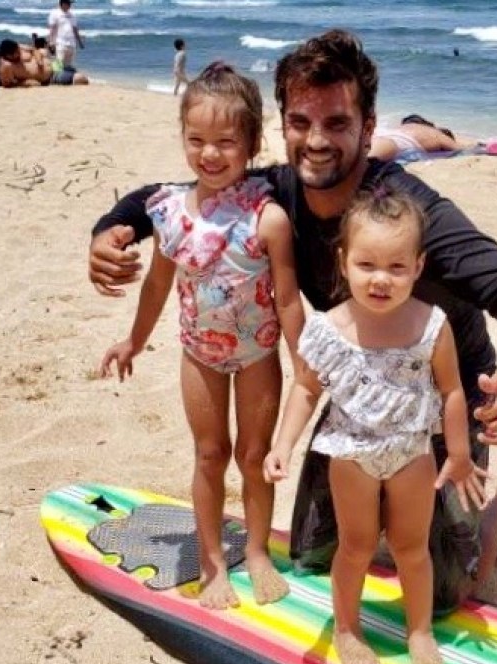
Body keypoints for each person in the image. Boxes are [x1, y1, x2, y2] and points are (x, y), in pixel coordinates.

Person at [88, 29, 497, 616]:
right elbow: (171, 195)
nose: (315, 141)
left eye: (337, 123)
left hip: (442, 410)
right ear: (281, 126)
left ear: (367, 125)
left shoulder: (413, 218)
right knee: (311, 558)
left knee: (444, 596)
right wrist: (112, 226)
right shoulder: (272, 193)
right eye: (301, 122)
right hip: (358, 406)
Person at [98, 62, 304, 611]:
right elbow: (158, 286)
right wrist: (133, 342)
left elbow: (287, 299)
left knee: (255, 454)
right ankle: (214, 563)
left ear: (253, 142)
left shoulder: (269, 218)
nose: (210, 154)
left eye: (225, 142)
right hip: (200, 355)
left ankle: (257, 552)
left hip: (259, 353)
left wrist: (304, 360)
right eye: (197, 141)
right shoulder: (168, 214)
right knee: (210, 454)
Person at [264, 188, 486, 664]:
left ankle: (419, 631)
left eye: (396, 267)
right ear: (343, 262)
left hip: (412, 452)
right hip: (351, 454)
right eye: (367, 265)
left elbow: (451, 391)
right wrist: (282, 445)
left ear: (418, 266)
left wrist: (460, 454)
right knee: (356, 546)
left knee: (412, 547)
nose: (381, 279)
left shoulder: (431, 325)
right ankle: (346, 628)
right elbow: (305, 389)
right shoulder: (326, 329)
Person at [369, 114, 497, 164]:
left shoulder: (405, 127)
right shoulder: (435, 133)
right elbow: (460, 149)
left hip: (382, 133)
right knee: (378, 153)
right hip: (400, 141)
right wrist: (483, 147)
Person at [47, 0, 83, 70]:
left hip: (71, 43)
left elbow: (75, 29)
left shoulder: (72, 15)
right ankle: (56, 77)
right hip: (60, 43)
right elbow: (52, 29)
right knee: (59, 62)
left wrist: (79, 41)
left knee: (68, 65)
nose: (70, 5)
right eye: (68, 3)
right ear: (63, 4)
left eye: (70, 4)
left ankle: (64, 78)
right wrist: (50, 41)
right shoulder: (55, 13)